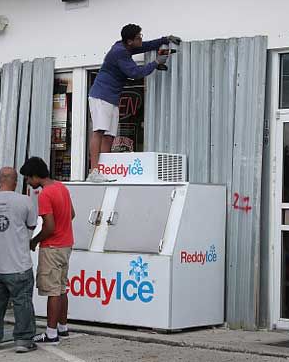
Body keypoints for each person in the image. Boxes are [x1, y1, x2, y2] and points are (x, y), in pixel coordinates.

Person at [86, 23, 181, 182]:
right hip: (101, 96)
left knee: (109, 136)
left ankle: (104, 170)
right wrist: (155, 63)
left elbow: (146, 46)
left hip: (111, 97)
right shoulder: (119, 52)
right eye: (139, 37)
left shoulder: (124, 46)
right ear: (130, 41)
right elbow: (135, 73)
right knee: (99, 132)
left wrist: (165, 39)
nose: (141, 39)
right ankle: (93, 171)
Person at [0, 167, 39, 353]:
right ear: (16, 182)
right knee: (23, 303)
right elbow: (32, 225)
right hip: (19, 263)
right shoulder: (25, 201)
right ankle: (23, 340)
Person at [20, 157, 75, 345]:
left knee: (52, 291)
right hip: (66, 245)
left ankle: (51, 334)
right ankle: (62, 327)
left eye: (28, 178)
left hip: (52, 247)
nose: (28, 182)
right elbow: (72, 214)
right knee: (61, 289)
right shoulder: (61, 187)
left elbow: (49, 226)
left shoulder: (45, 195)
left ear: (36, 175)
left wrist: (35, 240)